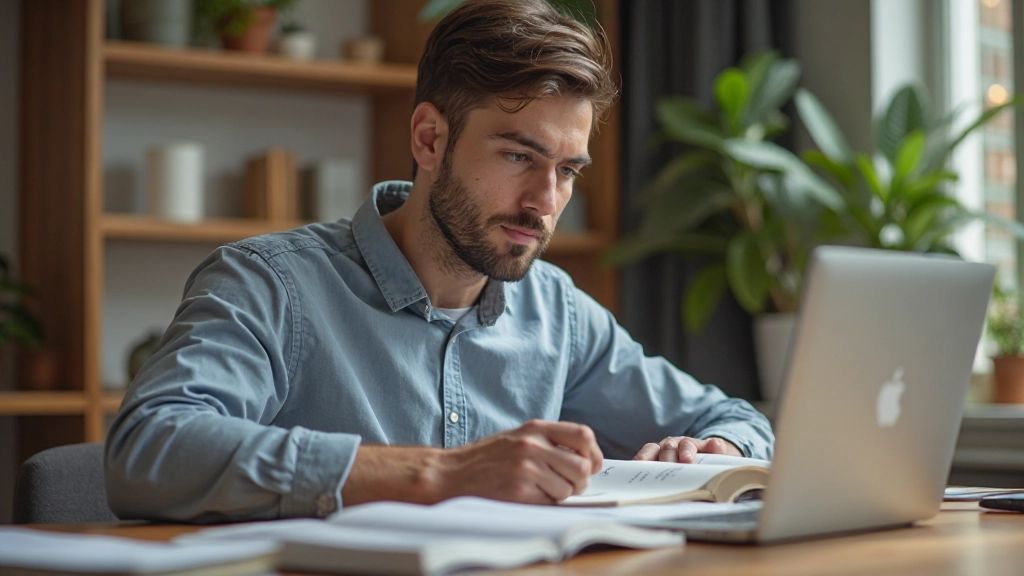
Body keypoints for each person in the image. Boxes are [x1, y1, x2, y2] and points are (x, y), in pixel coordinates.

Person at [105, 0, 773, 523]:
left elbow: (735, 420)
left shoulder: (558, 311)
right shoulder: (271, 286)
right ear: (429, 138)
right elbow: (149, 449)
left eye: (567, 170)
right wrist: (438, 475)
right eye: (518, 156)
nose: (545, 202)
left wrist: (722, 453)